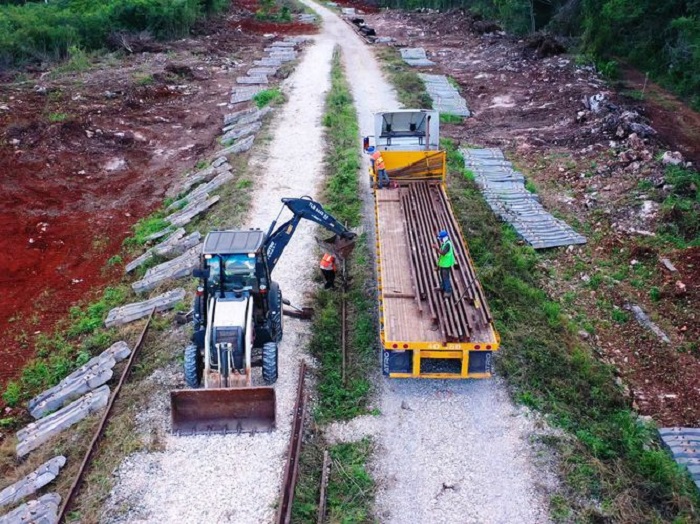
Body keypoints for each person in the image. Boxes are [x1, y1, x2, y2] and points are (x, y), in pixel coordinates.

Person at [433, 230, 455, 298]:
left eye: (441, 239)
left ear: (444, 237)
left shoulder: (448, 244)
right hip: (443, 264)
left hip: (446, 265)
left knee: (445, 277)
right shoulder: (445, 243)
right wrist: (438, 266)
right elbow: (442, 257)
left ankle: (448, 291)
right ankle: (443, 287)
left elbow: (443, 253)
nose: (441, 240)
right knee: (442, 276)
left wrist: (436, 248)